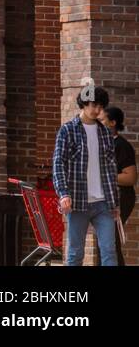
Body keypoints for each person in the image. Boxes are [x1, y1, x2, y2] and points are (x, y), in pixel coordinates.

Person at [53, 86, 120, 265]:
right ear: (83, 103)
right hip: (78, 202)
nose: (97, 110)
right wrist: (63, 193)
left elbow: (111, 169)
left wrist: (115, 202)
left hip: (103, 203)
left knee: (109, 251)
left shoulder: (105, 133)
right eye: (93, 105)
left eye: (100, 106)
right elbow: (58, 164)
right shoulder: (67, 131)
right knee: (75, 253)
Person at [104, 106, 136, 265]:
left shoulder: (122, 146)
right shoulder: (102, 144)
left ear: (112, 123)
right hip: (106, 199)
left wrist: (104, 177)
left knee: (110, 240)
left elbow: (130, 178)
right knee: (106, 241)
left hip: (121, 198)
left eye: (102, 120)